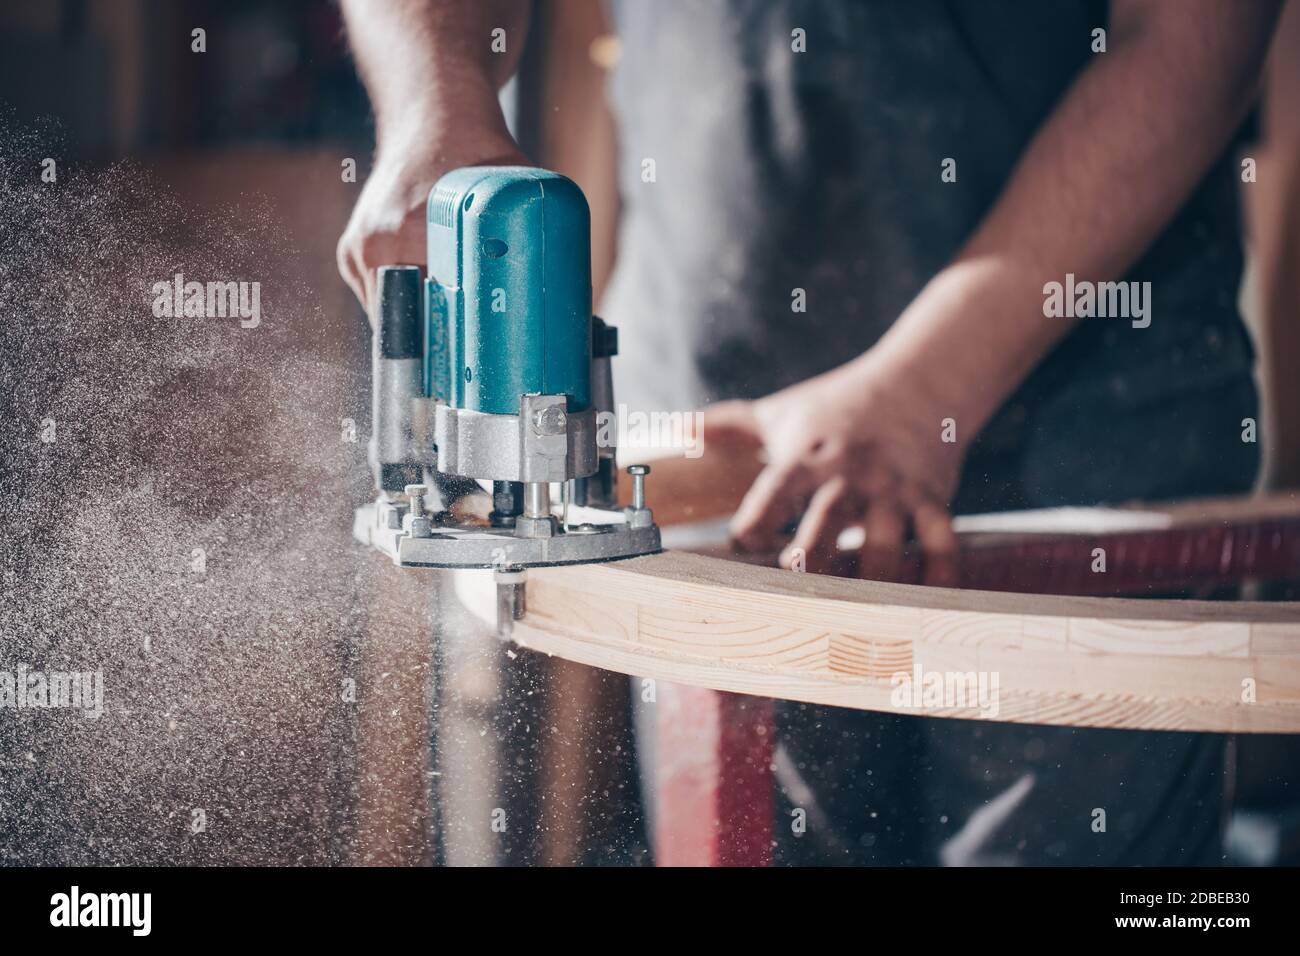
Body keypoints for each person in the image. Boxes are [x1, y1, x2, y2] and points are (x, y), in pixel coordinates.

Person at [337, 0, 1281, 865]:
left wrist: (924, 393)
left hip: (1094, 411)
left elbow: (1201, 32)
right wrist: (437, 103)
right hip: (727, 440)